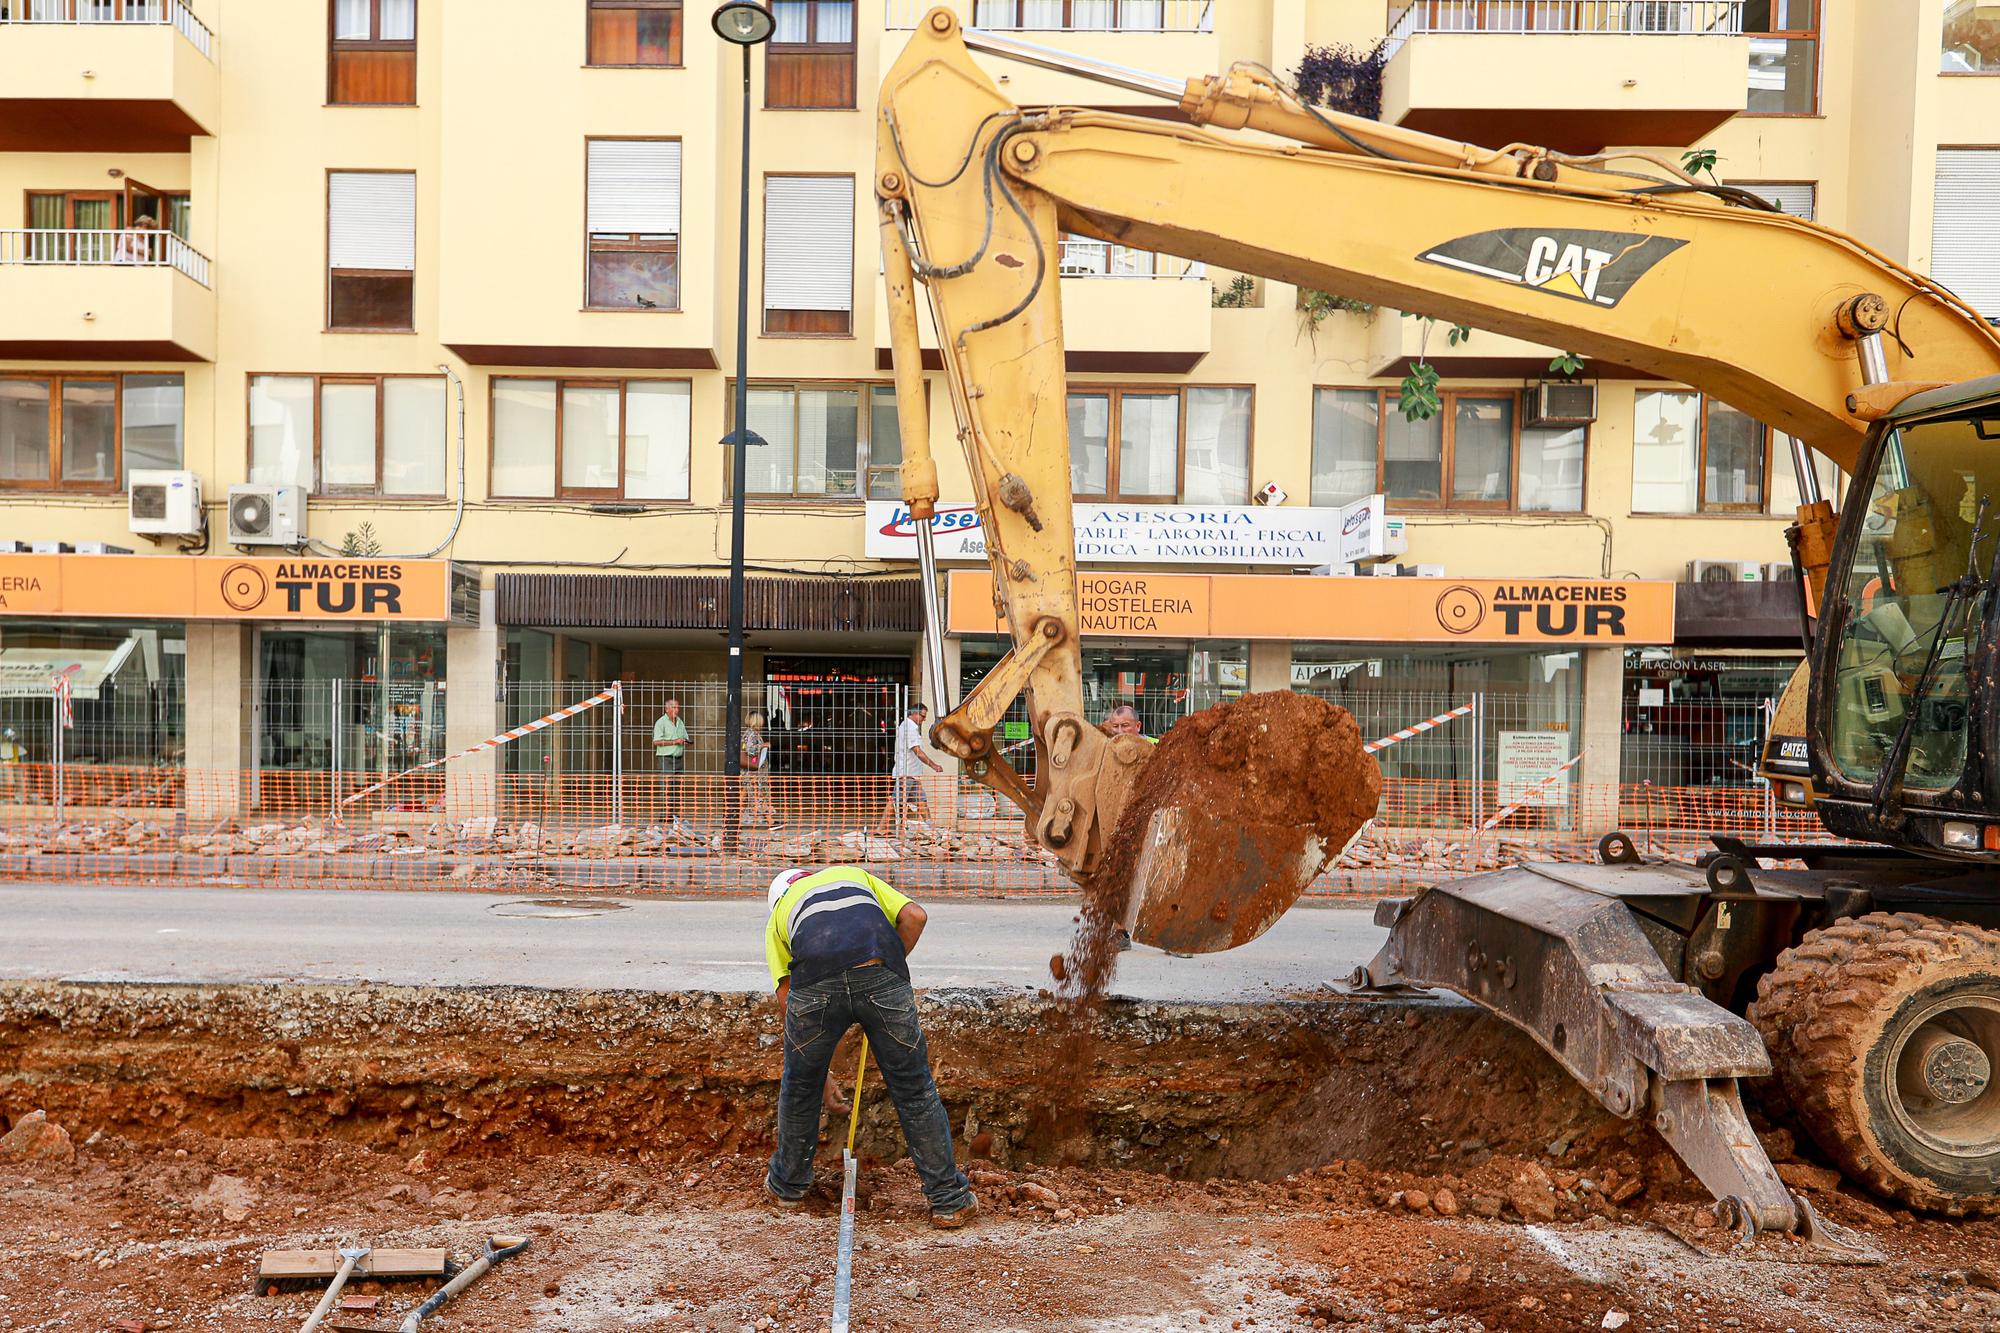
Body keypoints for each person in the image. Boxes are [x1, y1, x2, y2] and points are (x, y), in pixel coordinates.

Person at [763, 865, 978, 1228]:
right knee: (914, 1089)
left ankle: (787, 1189)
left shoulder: (780, 916)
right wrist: (882, 977)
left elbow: (789, 1001)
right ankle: (949, 1200)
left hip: (815, 983)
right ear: (808, 875)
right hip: (880, 972)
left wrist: (819, 1076)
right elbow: (914, 916)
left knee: (799, 1088)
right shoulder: (852, 874)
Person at [878, 702, 944, 833]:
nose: (924, 719)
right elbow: (917, 751)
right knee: (895, 800)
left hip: (912, 774)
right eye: (922, 716)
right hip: (907, 773)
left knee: (921, 800)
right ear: (914, 713)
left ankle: (931, 828)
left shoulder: (906, 726)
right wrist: (933, 765)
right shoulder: (910, 728)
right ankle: (880, 828)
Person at [653, 699, 689, 825]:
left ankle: (676, 815)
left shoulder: (680, 722)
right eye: (673, 708)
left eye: (677, 707)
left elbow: (685, 737)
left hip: (678, 758)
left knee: (678, 788)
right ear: (666, 709)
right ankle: (666, 815)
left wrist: (685, 741)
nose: (676, 710)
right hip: (666, 758)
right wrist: (674, 742)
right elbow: (656, 741)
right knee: (667, 787)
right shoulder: (660, 723)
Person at [740, 710, 778, 826]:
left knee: (748, 796)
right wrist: (764, 745)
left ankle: (741, 819)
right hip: (754, 772)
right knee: (758, 794)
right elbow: (750, 750)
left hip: (749, 772)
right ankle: (768, 820)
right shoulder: (753, 734)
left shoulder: (748, 733)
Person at [0, 728, 24, 803]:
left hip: (12, 766)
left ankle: (14, 798)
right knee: (7, 783)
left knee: (12, 783)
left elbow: (22, 754)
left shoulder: (15, 747)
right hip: (7, 765)